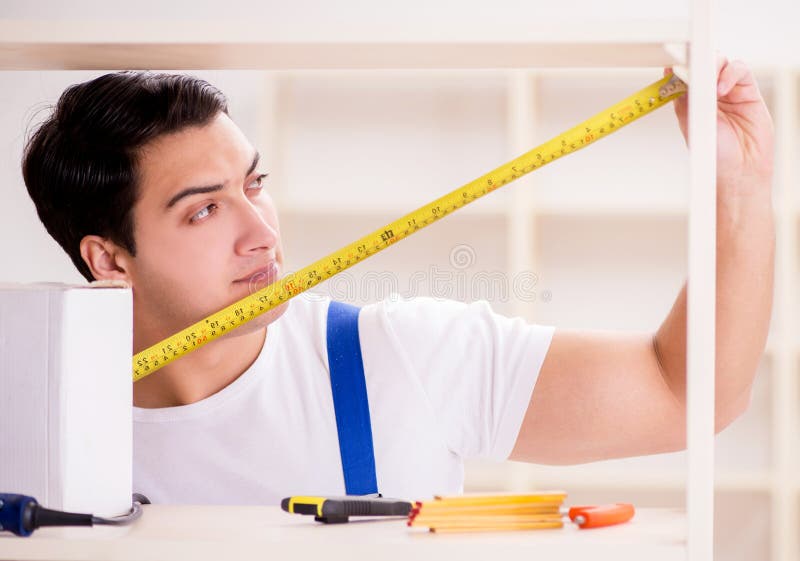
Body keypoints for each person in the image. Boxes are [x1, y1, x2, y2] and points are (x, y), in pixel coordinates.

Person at [21, 61, 774, 504]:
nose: (261, 231)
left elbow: (687, 393)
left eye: (257, 184)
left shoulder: (401, 357)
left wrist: (739, 187)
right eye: (206, 210)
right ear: (110, 259)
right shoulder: (29, 424)